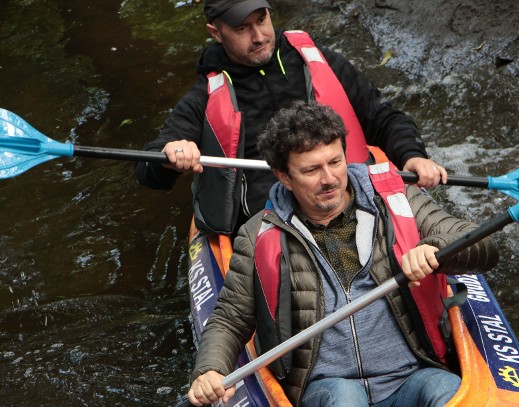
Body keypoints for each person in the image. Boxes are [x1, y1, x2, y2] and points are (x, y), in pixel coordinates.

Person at [187, 101, 498, 407]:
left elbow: (481, 245)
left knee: (446, 389)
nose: (329, 179)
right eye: (311, 170)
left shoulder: (397, 199)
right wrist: (209, 370)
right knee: (345, 400)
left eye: (335, 162)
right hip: (329, 388)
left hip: (411, 376)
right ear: (284, 176)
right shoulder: (256, 235)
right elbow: (230, 318)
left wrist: (435, 248)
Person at [135, 0, 448, 237]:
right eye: (243, 29)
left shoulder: (318, 61)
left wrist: (412, 156)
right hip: (269, 221)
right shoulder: (204, 94)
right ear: (216, 33)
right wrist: (170, 155)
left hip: (344, 195)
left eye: (262, 20)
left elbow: (382, 116)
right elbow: (148, 171)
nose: (259, 36)